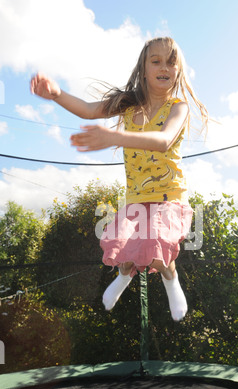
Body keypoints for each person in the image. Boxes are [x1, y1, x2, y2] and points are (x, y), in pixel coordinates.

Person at [30, 36, 208, 321]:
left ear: (178, 70)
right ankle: (124, 277)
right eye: (156, 61)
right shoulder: (127, 104)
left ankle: (171, 280)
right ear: (144, 69)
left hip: (168, 196)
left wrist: (115, 136)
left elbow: (162, 141)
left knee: (157, 247)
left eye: (171, 62)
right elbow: (89, 110)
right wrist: (56, 94)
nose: (164, 67)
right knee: (124, 252)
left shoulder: (178, 107)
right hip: (137, 198)